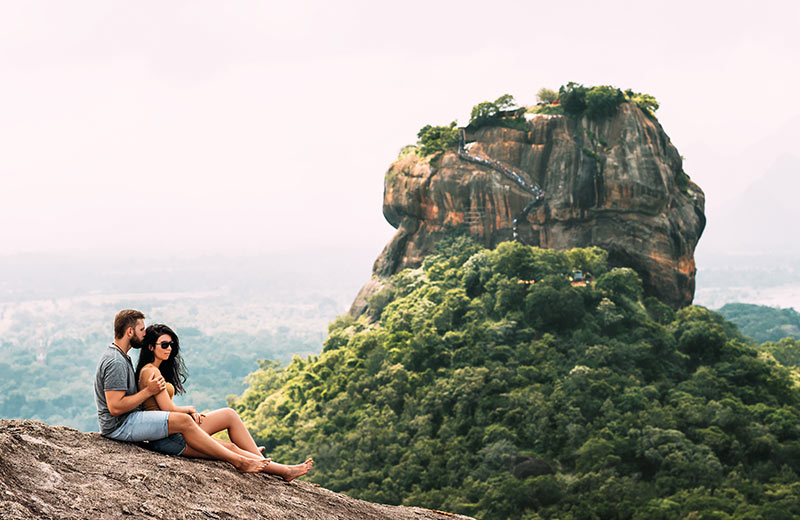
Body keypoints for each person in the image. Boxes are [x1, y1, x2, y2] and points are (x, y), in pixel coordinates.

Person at [94, 309, 269, 473]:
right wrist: (148, 392)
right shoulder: (116, 361)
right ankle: (239, 460)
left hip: (130, 420)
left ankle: (256, 458)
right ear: (130, 332)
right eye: (141, 330)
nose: (144, 334)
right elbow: (115, 408)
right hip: (119, 425)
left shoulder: (122, 357)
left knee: (225, 417)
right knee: (187, 422)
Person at [135, 322, 313, 481]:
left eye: (171, 344)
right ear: (150, 347)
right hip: (168, 438)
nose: (169, 348)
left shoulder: (153, 369)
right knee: (231, 449)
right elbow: (167, 408)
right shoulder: (151, 372)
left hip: (176, 428)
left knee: (229, 415)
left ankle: (255, 455)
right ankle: (284, 471)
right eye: (164, 345)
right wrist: (189, 409)